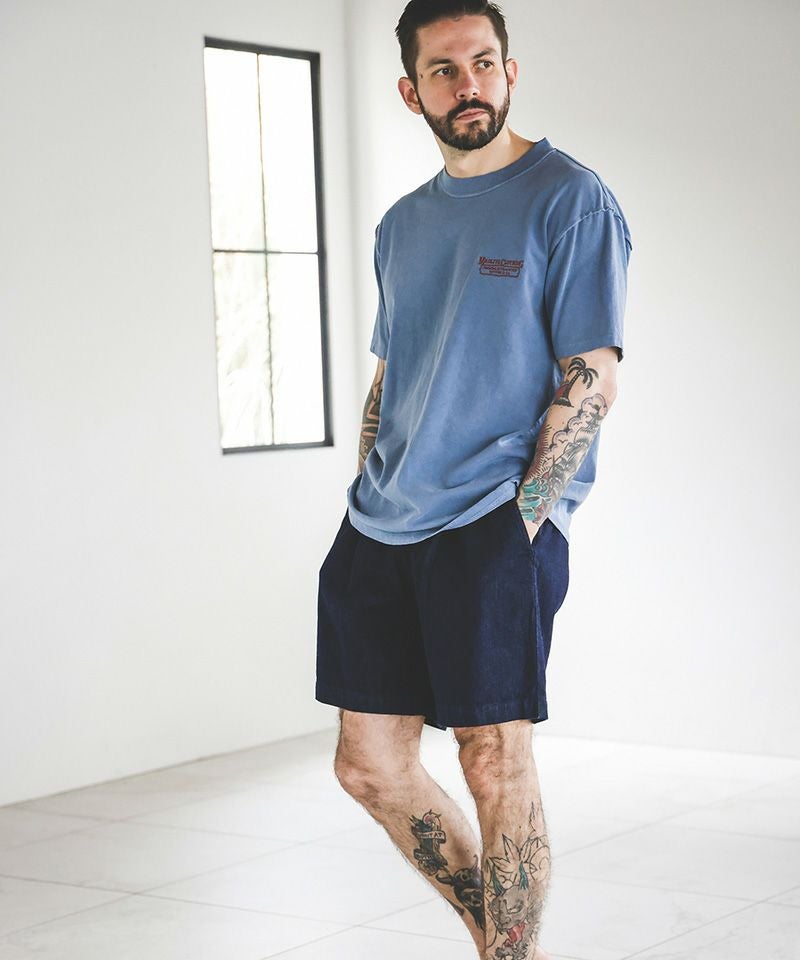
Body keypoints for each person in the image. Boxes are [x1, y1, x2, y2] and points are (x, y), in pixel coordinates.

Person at [315, 2, 633, 957]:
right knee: (368, 766)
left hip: (493, 520)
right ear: (411, 91)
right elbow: (392, 376)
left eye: (484, 63)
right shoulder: (401, 225)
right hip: (382, 522)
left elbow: (590, 374)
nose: (469, 86)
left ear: (511, 72)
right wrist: (369, 482)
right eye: (445, 71)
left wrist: (525, 520)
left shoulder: (570, 198)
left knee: (494, 759)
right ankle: (500, 939)